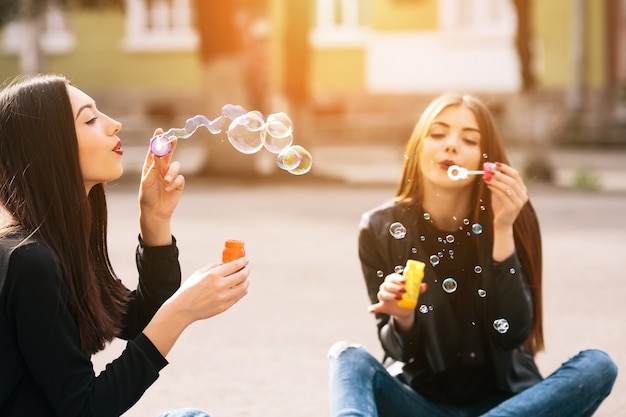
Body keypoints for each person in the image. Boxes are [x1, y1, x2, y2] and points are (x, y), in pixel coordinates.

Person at [328, 93, 617, 417]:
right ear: (417, 148)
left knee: (598, 366)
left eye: (469, 140)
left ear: (485, 160)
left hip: (509, 405)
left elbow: (513, 332)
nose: (451, 145)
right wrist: (402, 317)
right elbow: (398, 351)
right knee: (346, 356)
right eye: (438, 134)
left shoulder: (510, 213)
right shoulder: (380, 228)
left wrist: (503, 227)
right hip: (422, 404)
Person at [0, 73, 250, 416]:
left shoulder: (57, 240)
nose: (114, 124)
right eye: (90, 119)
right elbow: (86, 408)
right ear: (49, 147)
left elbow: (135, 319)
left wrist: (155, 220)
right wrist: (181, 312)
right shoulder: (30, 261)